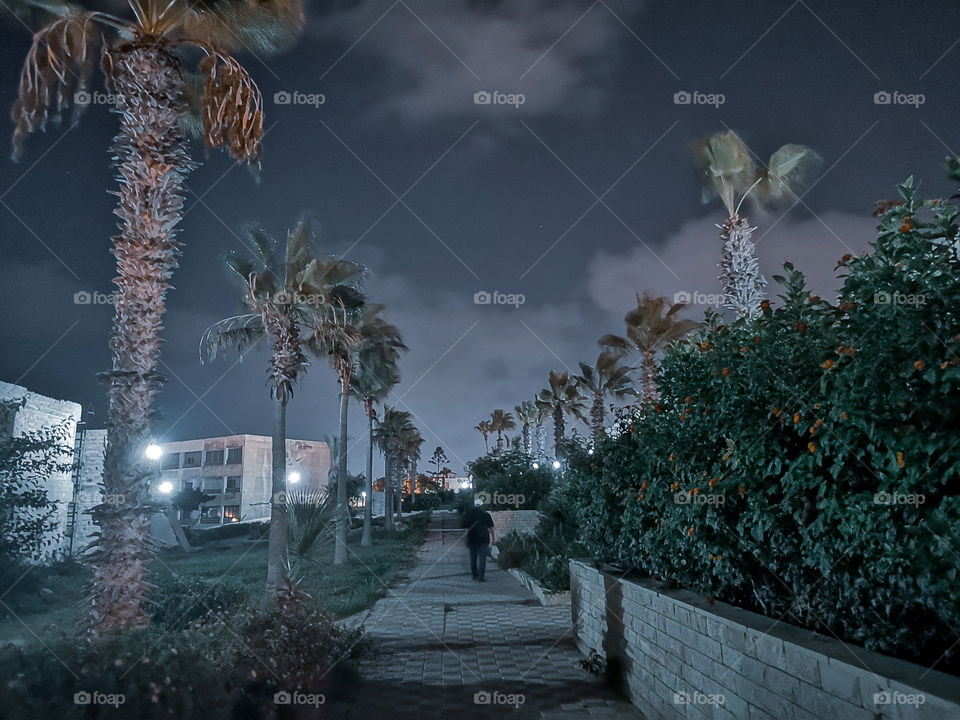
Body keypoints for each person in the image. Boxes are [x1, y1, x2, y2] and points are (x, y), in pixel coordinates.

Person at [463, 498, 495, 581]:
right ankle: (481, 577)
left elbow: (466, 529)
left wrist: (465, 539)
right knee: (482, 559)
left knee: (473, 558)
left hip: (472, 539)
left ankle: (474, 575)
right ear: (482, 505)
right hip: (484, 539)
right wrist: (493, 538)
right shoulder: (486, 515)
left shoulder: (469, 515)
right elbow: (491, 528)